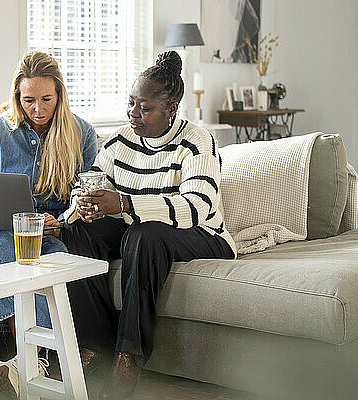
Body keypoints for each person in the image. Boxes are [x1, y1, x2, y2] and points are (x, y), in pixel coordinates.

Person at [60, 51, 237, 399]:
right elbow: (94, 178)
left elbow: (198, 207)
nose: (133, 113)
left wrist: (125, 202)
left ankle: (129, 358)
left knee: (143, 234)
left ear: (171, 109)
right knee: (78, 230)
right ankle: (96, 346)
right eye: (130, 103)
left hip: (202, 234)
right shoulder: (119, 138)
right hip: (139, 230)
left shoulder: (197, 140)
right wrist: (83, 204)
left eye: (145, 107)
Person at [0, 51, 97, 398]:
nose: (38, 109)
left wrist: (58, 221)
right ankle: (32, 359)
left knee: (52, 257)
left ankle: (25, 360)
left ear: (59, 94)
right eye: (28, 100)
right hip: (7, 227)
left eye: (46, 99)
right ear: (17, 97)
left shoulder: (81, 133)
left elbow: (85, 194)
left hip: (56, 227)